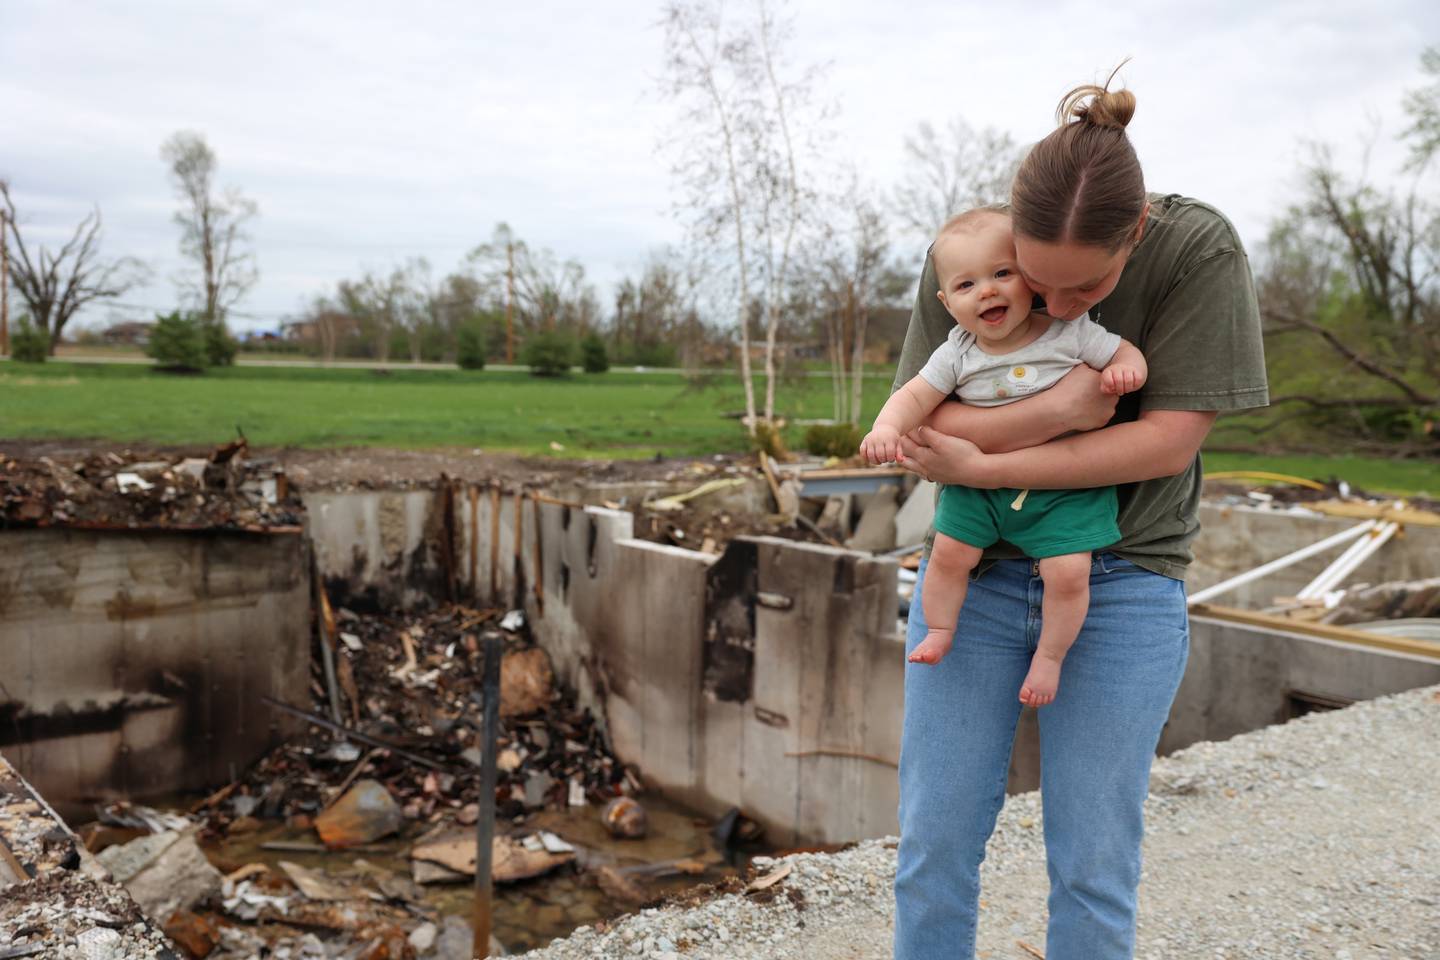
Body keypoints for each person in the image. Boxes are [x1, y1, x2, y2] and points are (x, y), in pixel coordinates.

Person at [890, 77, 1268, 960]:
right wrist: (1066, 411)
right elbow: (923, 419)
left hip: (1125, 579)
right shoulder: (969, 253)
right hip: (972, 575)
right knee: (932, 847)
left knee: (1093, 863)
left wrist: (985, 461)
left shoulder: (1198, 251)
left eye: (1086, 287)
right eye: (1036, 281)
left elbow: (1165, 445)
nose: (1057, 308)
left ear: (1134, 234)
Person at [859, 207, 1147, 708]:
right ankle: (941, 629)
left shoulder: (1070, 332)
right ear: (948, 303)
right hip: (977, 490)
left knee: (1069, 572)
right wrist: (886, 427)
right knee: (949, 556)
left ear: (1030, 281)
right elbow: (912, 398)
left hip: (1062, 487)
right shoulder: (957, 352)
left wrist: (1127, 371)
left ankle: (1051, 657)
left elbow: (1123, 352)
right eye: (967, 286)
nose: (987, 291)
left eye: (1001, 274)